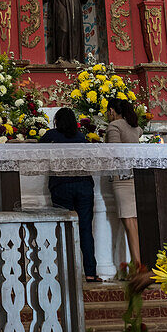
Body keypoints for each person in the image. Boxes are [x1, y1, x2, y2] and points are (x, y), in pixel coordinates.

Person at [42, 107, 100, 282]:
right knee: (85, 230)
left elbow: (35, 150)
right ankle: (90, 272)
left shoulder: (51, 136)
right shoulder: (81, 137)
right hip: (83, 185)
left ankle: (66, 272)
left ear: (57, 121)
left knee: (63, 229)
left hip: (61, 185)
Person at [105, 95, 142, 265]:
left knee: (128, 221)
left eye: (108, 112)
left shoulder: (114, 126)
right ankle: (138, 261)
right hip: (135, 176)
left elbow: (115, 153)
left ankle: (137, 263)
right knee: (133, 220)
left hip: (122, 178)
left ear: (112, 111)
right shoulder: (135, 127)